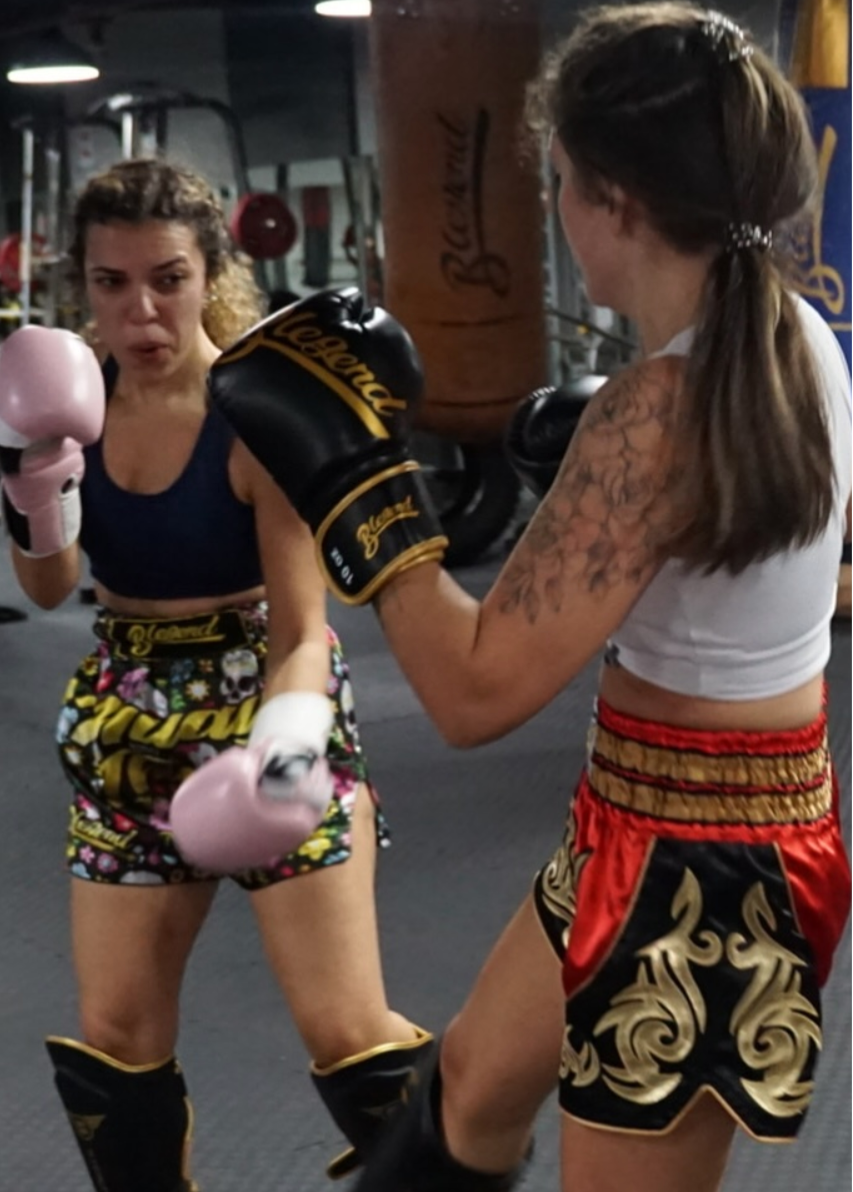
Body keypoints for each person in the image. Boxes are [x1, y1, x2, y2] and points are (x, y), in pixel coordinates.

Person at [184, 5, 853, 1191]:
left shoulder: (657, 411)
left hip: (702, 871)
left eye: (559, 181)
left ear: (616, 200)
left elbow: (471, 693)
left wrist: (359, 481)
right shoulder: (791, 338)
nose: (554, 207)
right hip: (665, 813)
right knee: (467, 1092)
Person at [0, 157, 432, 1192]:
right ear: (81, 284)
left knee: (347, 1032)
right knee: (115, 1039)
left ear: (209, 275)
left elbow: (302, 628)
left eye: (168, 279)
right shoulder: (74, 398)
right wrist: (34, 475)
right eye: (111, 283)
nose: (140, 310)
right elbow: (51, 586)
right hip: (124, 715)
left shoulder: (256, 413)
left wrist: (287, 747)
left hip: (263, 694)